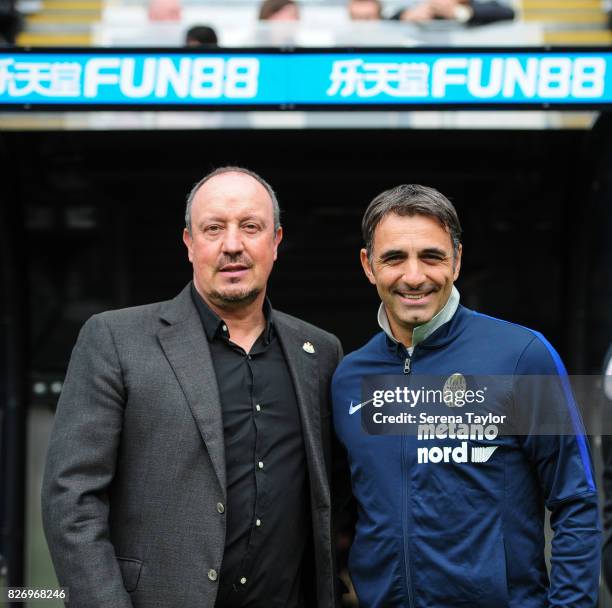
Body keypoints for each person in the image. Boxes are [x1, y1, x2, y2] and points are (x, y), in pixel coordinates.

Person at [42, 166, 343, 608]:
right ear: (189, 243)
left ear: (276, 242)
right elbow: (72, 501)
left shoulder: (319, 351)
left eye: (251, 227)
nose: (233, 245)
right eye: (214, 228)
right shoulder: (115, 339)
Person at [332, 184, 600, 607]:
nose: (414, 276)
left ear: (456, 260)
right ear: (369, 265)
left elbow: (576, 502)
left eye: (432, 256)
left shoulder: (522, 356)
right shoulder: (349, 377)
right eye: (395, 258)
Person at [391, 0, 514, 26]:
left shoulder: (475, 7)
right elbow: (386, 18)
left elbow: (508, 13)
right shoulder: (417, 7)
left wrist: (458, 12)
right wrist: (405, 16)